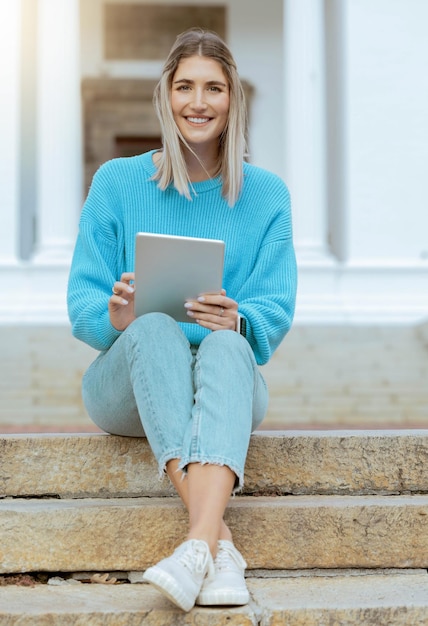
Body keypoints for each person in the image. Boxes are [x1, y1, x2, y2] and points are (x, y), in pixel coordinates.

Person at [67, 28, 297, 612]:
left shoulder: (267, 195)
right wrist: (116, 316)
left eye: (214, 88)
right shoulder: (116, 182)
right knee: (153, 326)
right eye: (186, 86)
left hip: (225, 380)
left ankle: (198, 549)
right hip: (126, 381)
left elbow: (274, 306)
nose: (199, 101)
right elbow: (84, 302)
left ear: (233, 100)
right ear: (166, 96)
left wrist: (239, 320)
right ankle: (216, 542)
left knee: (223, 346)